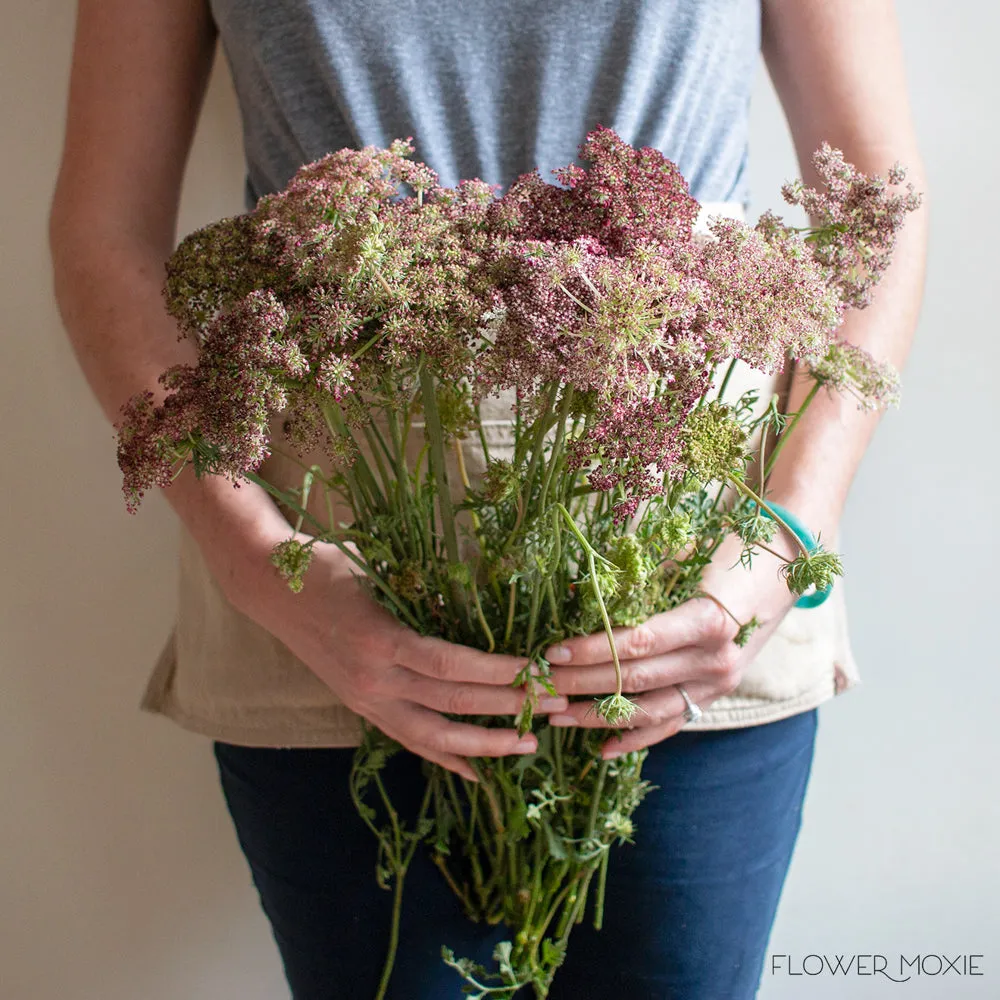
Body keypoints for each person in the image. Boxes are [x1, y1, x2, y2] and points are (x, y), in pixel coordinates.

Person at [49, 1, 927, 997]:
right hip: (326, 605)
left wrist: (779, 546)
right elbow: (103, 231)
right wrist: (256, 560)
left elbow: (878, 203)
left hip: (691, 601)